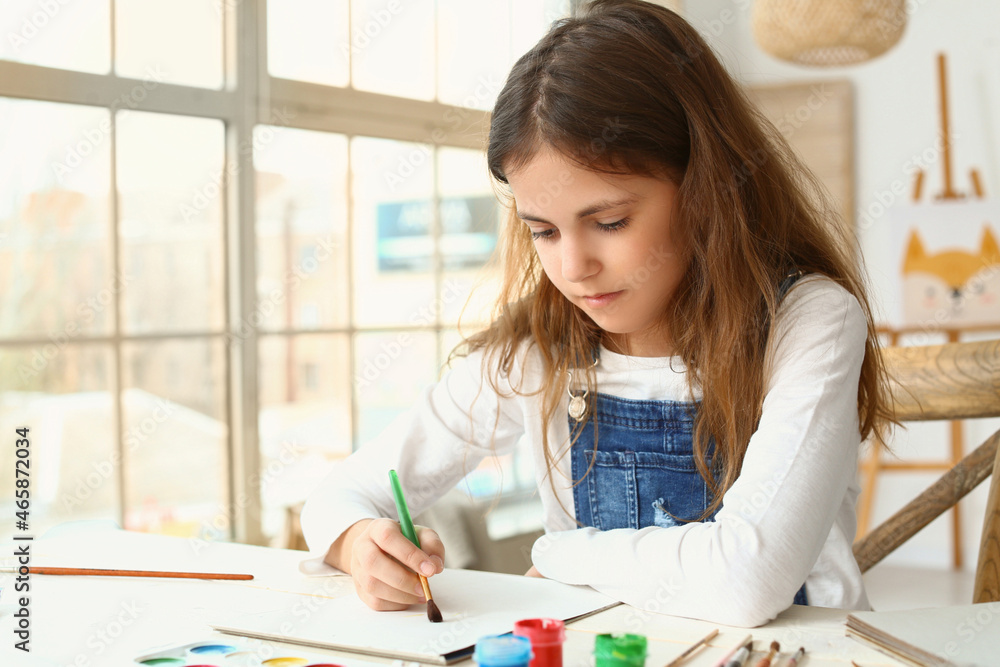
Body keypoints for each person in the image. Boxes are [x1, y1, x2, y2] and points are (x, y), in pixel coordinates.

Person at [301, 0, 894, 627]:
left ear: (706, 189)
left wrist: (562, 554)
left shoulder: (809, 322)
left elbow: (747, 577)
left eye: (609, 222)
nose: (574, 267)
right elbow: (340, 495)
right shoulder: (536, 348)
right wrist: (358, 541)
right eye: (544, 232)